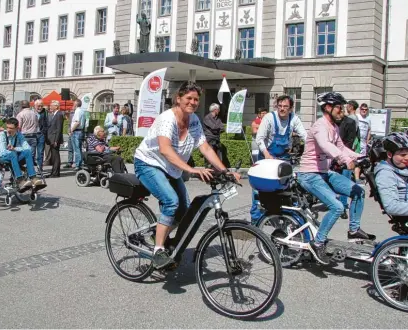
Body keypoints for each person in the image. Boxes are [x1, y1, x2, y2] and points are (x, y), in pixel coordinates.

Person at [133, 81, 241, 269]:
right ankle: (158, 250)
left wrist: (225, 171)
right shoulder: (167, 119)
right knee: (171, 201)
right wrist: (192, 170)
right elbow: (165, 150)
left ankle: (161, 234)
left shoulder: (194, 121)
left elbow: (205, 147)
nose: (192, 102)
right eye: (188, 98)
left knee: (184, 211)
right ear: (179, 99)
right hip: (149, 164)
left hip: (171, 168)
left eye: (196, 99)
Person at [297, 92, 376, 265]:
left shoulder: (333, 126)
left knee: (358, 191)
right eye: (339, 107)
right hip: (309, 174)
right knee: (337, 206)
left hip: (324, 172)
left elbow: (341, 147)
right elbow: (326, 146)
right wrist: (344, 160)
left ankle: (353, 230)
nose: (342, 110)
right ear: (328, 108)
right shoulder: (320, 126)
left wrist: (360, 157)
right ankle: (317, 243)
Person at [251, 95, 307, 223]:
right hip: (267, 157)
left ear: (291, 108)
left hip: (283, 159)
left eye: (285, 107)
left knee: (286, 189)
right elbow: (259, 138)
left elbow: (305, 136)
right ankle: (255, 219)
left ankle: (283, 217)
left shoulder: (294, 119)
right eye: (280, 106)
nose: (282, 109)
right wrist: (266, 154)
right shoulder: (269, 118)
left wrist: (309, 154)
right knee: (259, 189)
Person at [0, 118, 45, 191]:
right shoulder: (2, 134)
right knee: (12, 154)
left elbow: (27, 148)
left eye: (11, 128)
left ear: (17, 128)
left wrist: (15, 148)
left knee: (27, 152)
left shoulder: (19, 135)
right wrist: (13, 151)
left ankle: (33, 177)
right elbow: (3, 151)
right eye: (7, 127)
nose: (8, 130)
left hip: (13, 155)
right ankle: (20, 180)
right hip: (1, 157)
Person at [374, 132, 408, 219]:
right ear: (389, 154)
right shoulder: (385, 174)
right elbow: (391, 206)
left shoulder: (403, 168)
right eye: (403, 155)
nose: (407, 158)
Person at [336, 106, 360, 219]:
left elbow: (350, 141)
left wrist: (344, 157)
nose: (339, 112)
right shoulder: (332, 122)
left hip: (345, 155)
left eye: (341, 110)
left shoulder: (350, 122)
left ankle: (343, 206)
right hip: (332, 156)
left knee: (344, 181)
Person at [46, 100, 65, 178]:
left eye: (51, 105)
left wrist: (56, 140)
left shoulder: (59, 114)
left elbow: (59, 128)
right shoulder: (54, 114)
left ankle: (56, 173)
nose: (50, 107)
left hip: (55, 138)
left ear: (56, 106)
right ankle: (53, 172)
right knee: (54, 156)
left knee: (56, 156)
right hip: (51, 138)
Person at [69, 99, 86, 171]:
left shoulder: (78, 111)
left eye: (74, 104)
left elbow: (77, 122)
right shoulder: (82, 111)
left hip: (77, 131)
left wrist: (71, 130)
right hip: (80, 131)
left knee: (77, 149)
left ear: (76, 104)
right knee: (78, 148)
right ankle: (79, 163)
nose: (73, 105)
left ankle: (78, 164)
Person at [34, 99, 47, 172]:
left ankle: (40, 167)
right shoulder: (31, 113)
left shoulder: (45, 113)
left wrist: (43, 132)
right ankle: (31, 168)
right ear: (35, 106)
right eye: (38, 106)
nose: (40, 107)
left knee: (40, 152)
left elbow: (47, 123)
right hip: (33, 134)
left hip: (41, 134)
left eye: (41, 106)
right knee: (32, 152)